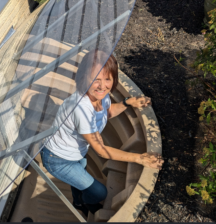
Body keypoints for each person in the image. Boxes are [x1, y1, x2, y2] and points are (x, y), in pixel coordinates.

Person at [40, 50, 164, 217]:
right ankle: (86, 202)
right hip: (58, 159)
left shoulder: (101, 96)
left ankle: (78, 201)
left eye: (107, 79)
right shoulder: (81, 109)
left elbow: (107, 112)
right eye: (96, 79)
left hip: (76, 153)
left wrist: (128, 103)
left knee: (78, 184)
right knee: (99, 193)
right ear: (84, 78)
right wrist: (140, 158)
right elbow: (101, 150)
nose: (102, 85)